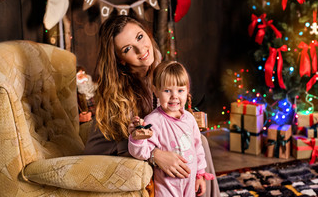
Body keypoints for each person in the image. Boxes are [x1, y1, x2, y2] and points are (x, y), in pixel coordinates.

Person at [83, 14, 220, 196]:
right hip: (112, 152)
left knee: (197, 143)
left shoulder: (157, 70)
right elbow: (125, 143)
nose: (141, 50)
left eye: (140, 37)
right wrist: (156, 155)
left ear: (146, 34)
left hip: (145, 142)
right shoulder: (119, 92)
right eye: (128, 49)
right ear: (120, 59)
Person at [128, 61, 215, 196]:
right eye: (167, 90)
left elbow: (198, 148)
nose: (174, 96)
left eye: (180, 90)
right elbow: (142, 152)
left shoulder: (189, 119)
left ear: (187, 91)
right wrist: (136, 139)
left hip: (189, 182)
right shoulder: (153, 121)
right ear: (156, 90)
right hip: (167, 186)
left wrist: (200, 175)